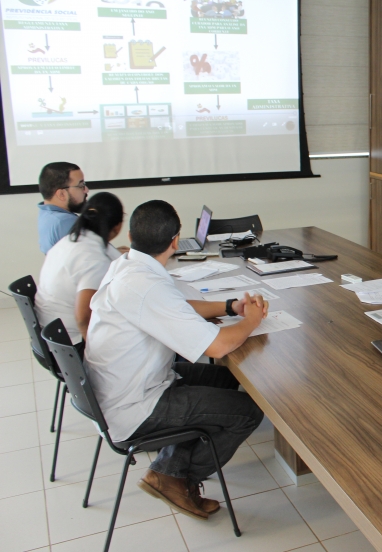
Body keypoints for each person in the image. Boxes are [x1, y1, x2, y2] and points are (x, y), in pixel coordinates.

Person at [85, 200, 267, 520]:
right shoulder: (146, 285)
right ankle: (174, 479)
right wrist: (252, 320)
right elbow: (217, 348)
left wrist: (230, 307)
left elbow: (177, 306)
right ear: (175, 241)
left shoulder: (127, 265)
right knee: (248, 412)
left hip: (123, 388)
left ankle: (173, 464)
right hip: (135, 407)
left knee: (228, 379)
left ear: (132, 235)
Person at [35, 192, 123, 343]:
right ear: (117, 226)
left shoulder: (71, 240)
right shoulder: (94, 258)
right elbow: (83, 318)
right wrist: (94, 350)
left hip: (50, 330)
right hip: (69, 340)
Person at [37, 162, 89, 254]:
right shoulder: (65, 222)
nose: (86, 190)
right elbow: (94, 259)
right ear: (61, 194)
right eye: (81, 185)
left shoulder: (46, 214)